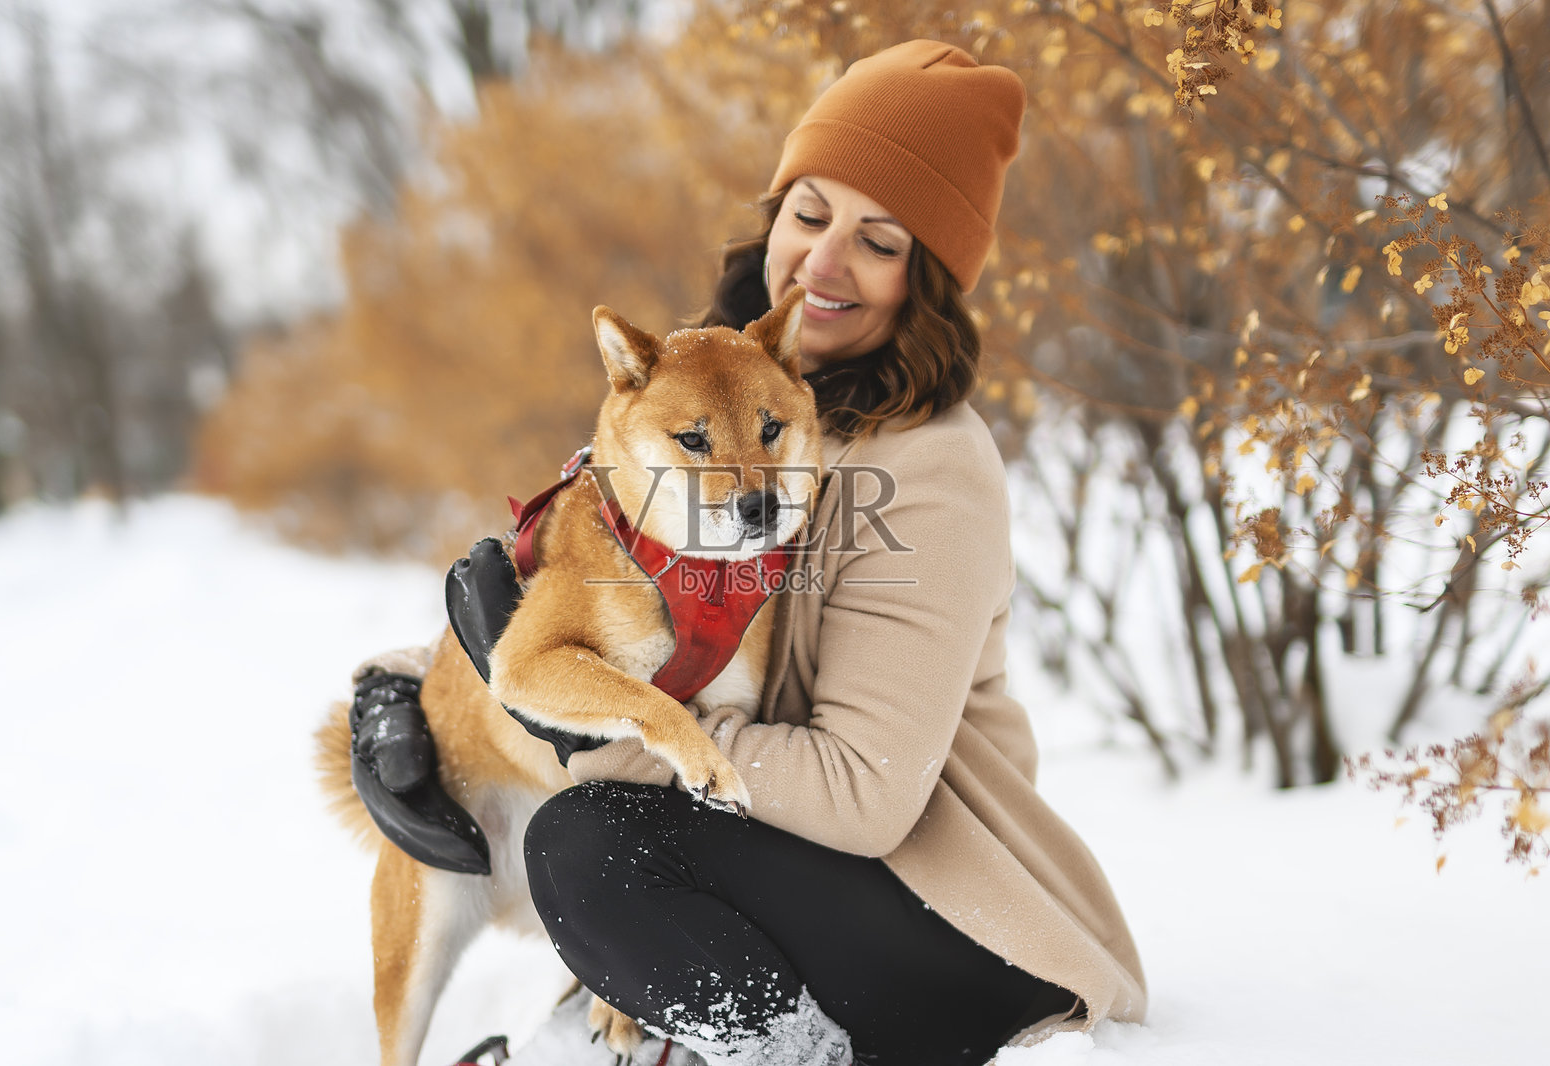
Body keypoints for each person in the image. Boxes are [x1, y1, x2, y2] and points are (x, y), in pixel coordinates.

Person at [353, 39, 1146, 1066]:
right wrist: (414, 689)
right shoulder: (711, 390)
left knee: (590, 845)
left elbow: (864, 793)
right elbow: (602, 597)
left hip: (961, 930)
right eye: (809, 215)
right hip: (804, 878)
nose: (822, 261)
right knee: (599, 851)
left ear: (929, 280)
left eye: (879, 240)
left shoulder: (930, 471)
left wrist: (581, 724)